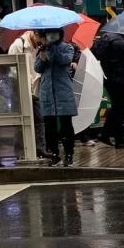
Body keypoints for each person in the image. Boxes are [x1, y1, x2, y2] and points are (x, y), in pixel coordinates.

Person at [34, 29, 78, 167]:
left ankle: (69, 154)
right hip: (47, 92)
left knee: (66, 126)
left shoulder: (67, 47)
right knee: (49, 126)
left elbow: (65, 60)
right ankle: (54, 154)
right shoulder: (42, 48)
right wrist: (42, 57)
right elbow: (37, 68)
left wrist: (52, 49)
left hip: (63, 91)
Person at [90, 28, 124, 149]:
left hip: (106, 77)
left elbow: (95, 54)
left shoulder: (105, 38)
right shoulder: (122, 43)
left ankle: (114, 137)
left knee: (116, 107)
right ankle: (109, 136)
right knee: (119, 108)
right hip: (118, 78)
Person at [8, 29, 45, 156]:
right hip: (20, 88)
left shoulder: (39, 47)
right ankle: (19, 151)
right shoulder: (18, 45)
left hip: (35, 89)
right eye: (40, 38)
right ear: (34, 34)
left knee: (39, 120)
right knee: (21, 121)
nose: (40, 42)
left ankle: (39, 149)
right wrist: (26, 82)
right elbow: (12, 68)